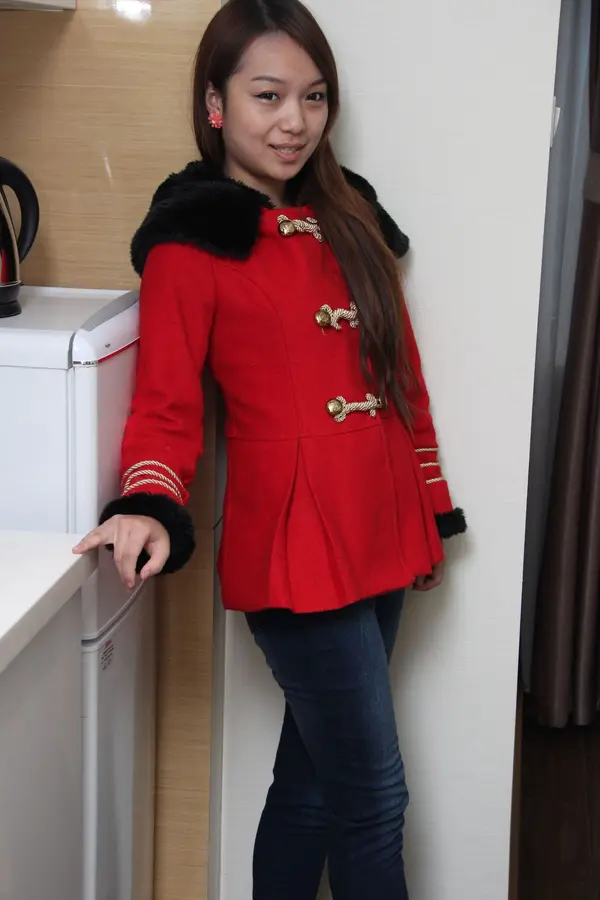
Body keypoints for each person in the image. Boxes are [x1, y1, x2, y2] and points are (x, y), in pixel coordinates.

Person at [74, 1, 466, 897]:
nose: (295, 121)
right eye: (268, 95)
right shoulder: (191, 241)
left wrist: (427, 507)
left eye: (314, 97)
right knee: (375, 801)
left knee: (315, 789)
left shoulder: (351, 217)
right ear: (215, 105)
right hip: (293, 543)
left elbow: (401, 377)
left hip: (380, 524)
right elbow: (165, 405)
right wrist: (148, 502)